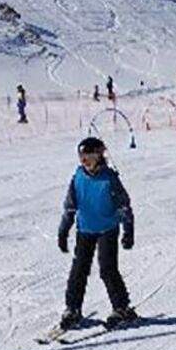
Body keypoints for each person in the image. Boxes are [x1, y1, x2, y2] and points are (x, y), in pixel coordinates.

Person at [58, 137, 137, 329]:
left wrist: (128, 231)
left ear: (99, 155)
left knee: (107, 268)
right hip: (85, 229)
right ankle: (73, 309)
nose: (84, 160)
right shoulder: (78, 177)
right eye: (81, 156)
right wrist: (63, 230)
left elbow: (124, 206)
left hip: (107, 229)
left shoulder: (109, 178)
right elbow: (70, 207)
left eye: (88, 156)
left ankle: (122, 307)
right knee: (79, 269)